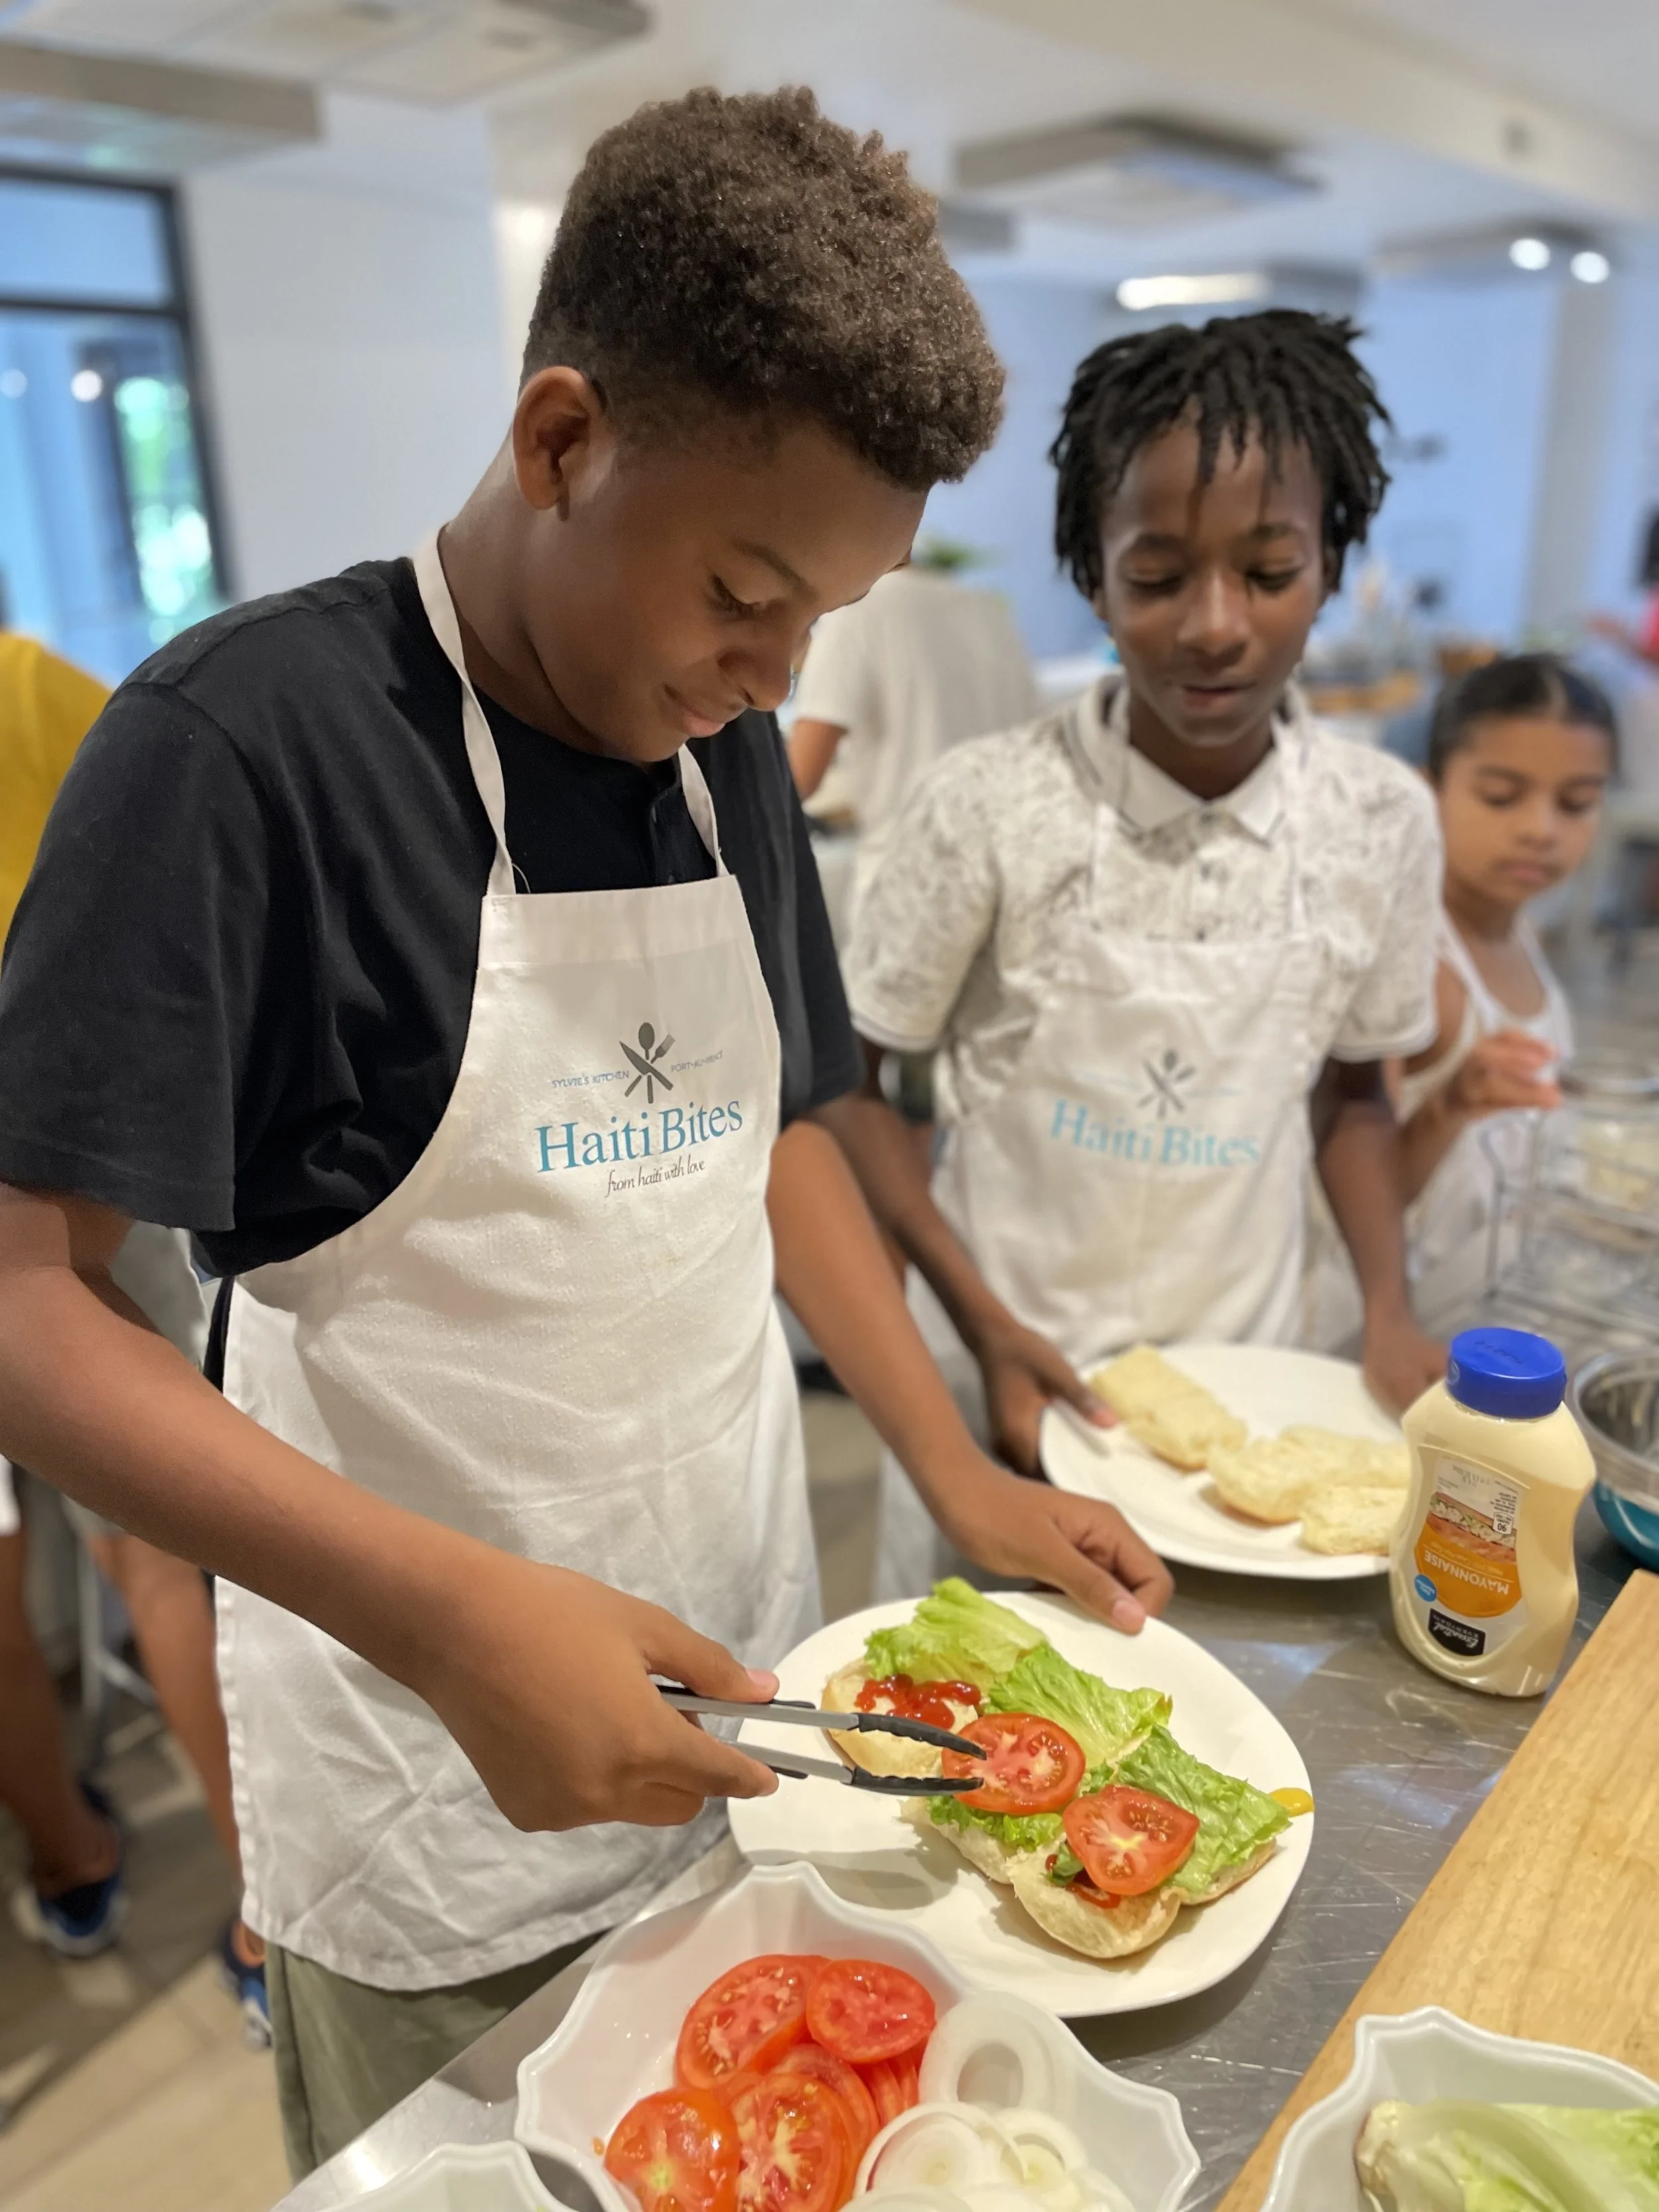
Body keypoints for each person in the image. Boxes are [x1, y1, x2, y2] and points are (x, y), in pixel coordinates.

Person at [0, 88, 1167, 2177]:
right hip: (429, 1782)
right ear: (560, 444)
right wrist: (452, 1619)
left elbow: (783, 1133)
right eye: (740, 589)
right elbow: (25, 1305)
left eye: (822, 618)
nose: (773, 672)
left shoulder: (716, 758)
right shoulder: (240, 757)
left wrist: (944, 1460)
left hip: (738, 1698)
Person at [820, 311, 1448, 1591]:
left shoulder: (1380, 819)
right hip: (1001, 1388)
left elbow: (1354, 1089)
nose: (1214, 626)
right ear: (1092, 576)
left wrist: (1388, 1307)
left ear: (1330, 562)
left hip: (1250, 1400)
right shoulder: (991, 802)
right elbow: (850, 1082)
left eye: (1268, 571)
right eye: (1157, 577)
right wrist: (981, 1322)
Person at [0, 630, 267, 2035]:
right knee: (162, 1560)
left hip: (64, 1163)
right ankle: (258, 1910)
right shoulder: (44, 686)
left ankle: (73, 1859)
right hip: (79, 1153)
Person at [1391, 656, 1611, 1284]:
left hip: (1493, 1299)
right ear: (1430, 791)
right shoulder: (1421, 961)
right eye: (1501, 797)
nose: (1540, 830)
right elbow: (1351, 1196)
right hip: (1391, 1326)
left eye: (1575, 803)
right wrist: (1450, 1104)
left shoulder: (1523, 935)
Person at [788, 555, 1039, 923]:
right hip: (1009, 881)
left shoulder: (856, 613)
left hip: (911, 889)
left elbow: (796, 780)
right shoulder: (988, 610)